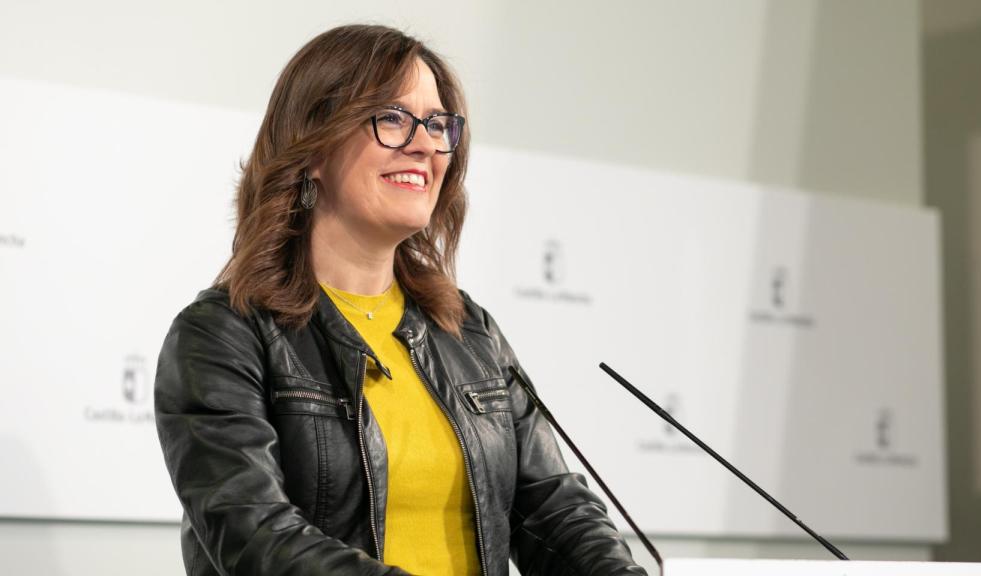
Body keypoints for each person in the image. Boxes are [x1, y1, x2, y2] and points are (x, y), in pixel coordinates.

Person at [155, 24, 646, 576]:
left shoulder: (470, 331)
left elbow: (556, 513)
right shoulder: (224, 335)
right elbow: (256, 540)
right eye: (391, 118)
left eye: (438, 124)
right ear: (312, 146)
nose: (424, 144)